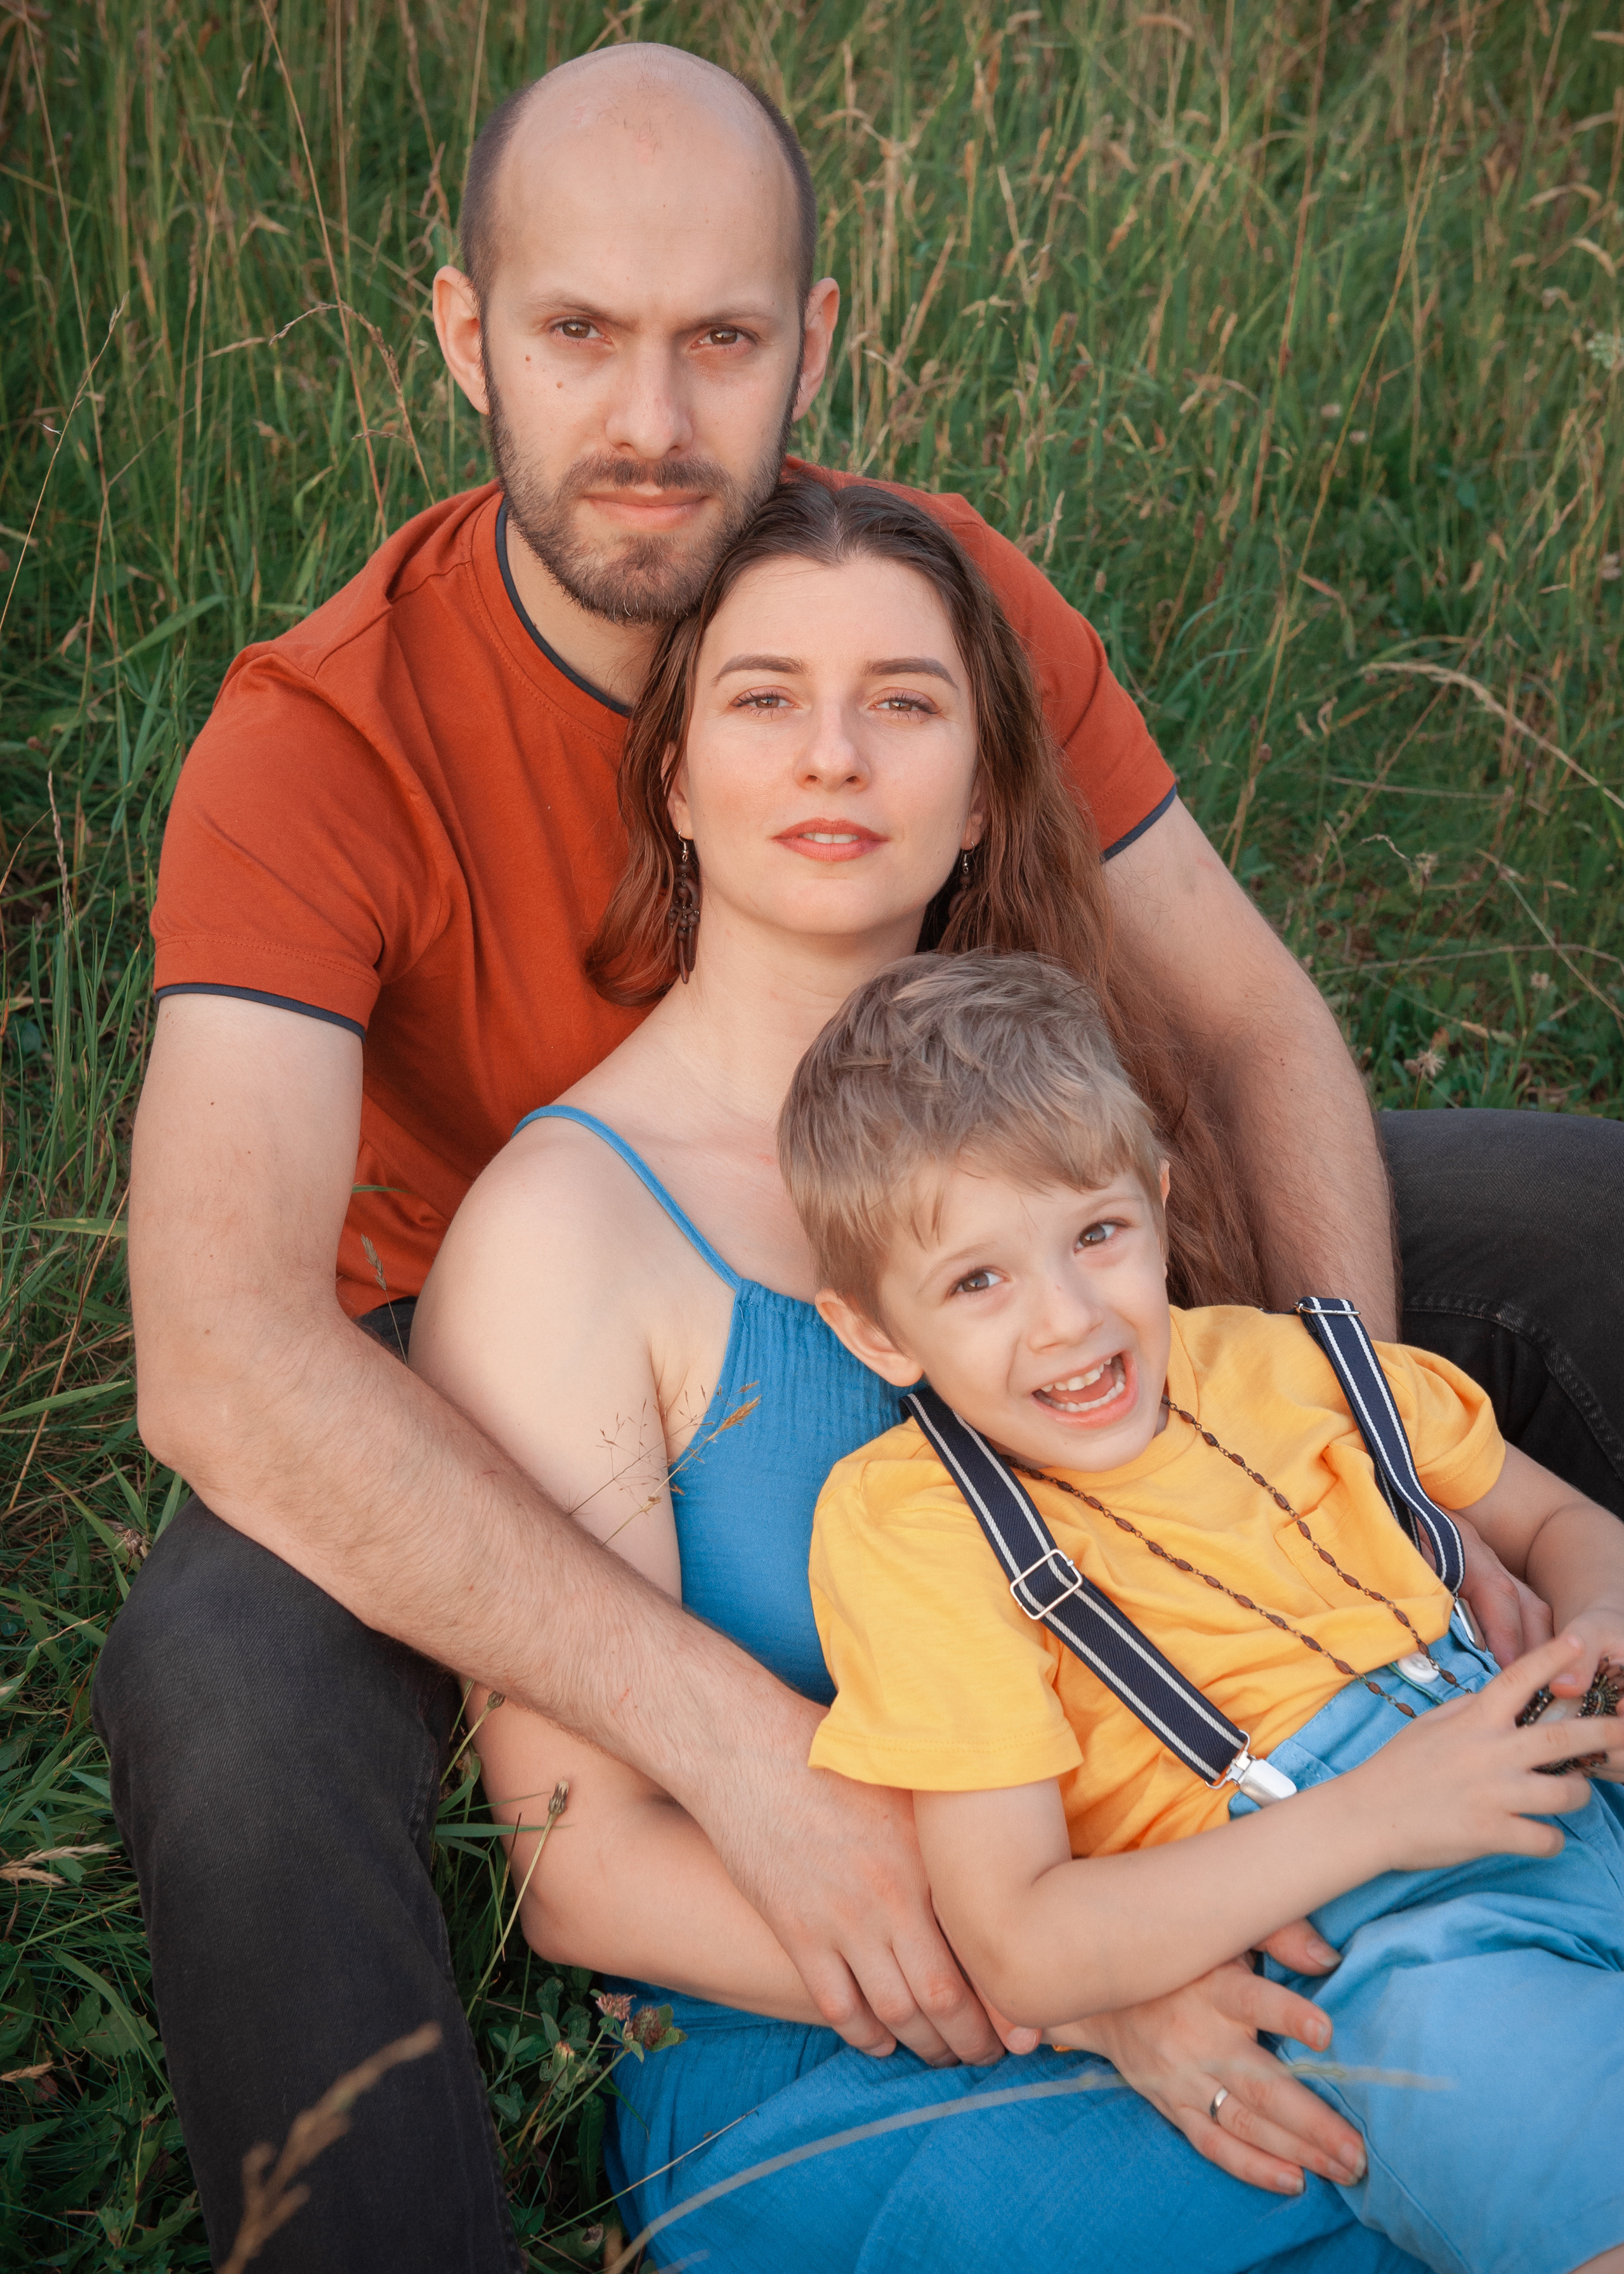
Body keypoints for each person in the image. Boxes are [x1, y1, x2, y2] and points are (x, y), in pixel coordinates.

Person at [91, 34, 1616, 2272]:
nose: (649, 418)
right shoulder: (327, 736)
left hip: (1002, 1170)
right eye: (579, 334)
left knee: (1581, 1206)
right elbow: (217, 1351)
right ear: (465, 337)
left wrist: (1334, 1493)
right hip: (449, 1338)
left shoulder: (916, 588)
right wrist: (725, 1734)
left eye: (719, 340)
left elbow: (1249, 1017)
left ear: (812, 341)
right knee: (224, 1687)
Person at [412, 473, 1431, 2271]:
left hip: (1247, 1891)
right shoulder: (569, 1231)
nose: (834, 758)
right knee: (1451, 2154)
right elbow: (585, 1870)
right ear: (674, 780)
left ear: (978, 796)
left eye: (903, 702)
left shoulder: (1069, 1141)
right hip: (852, 2050)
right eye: (763, 699)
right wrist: (1090, 1995)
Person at [782, 947, 1624, 2274]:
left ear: (1158, 1203)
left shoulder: (1294, 1362)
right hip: (1394, 1954)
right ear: (877, 1333)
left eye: (1095, 1235)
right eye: (975, 1282)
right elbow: (1019, 1944)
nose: (1065, 1320)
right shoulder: (914, 1523)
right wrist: (1381, 1810)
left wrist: (1595, 1635)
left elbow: (1566, 1525)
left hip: (1555, 1770)